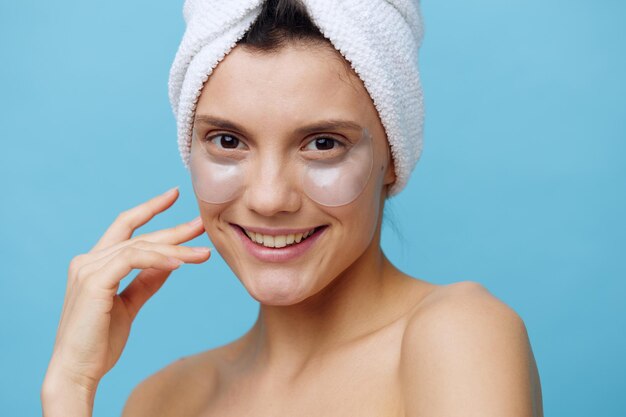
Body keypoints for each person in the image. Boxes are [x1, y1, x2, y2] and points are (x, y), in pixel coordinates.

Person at [41, 0, 543, 416]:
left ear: (392, 157)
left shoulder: (459, 335)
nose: (268, 198)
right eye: (227, 140)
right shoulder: (164, 400)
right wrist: (70, 386)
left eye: (323, 143)